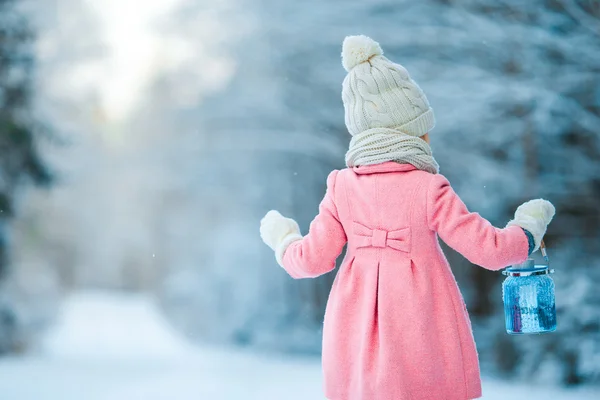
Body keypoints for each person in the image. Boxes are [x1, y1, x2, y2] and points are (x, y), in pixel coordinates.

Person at [259, 35, 555, 400]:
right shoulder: (428, 188)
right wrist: (529, 226)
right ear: (414, 132)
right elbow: (491, 250)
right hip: (422, 335)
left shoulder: (341, 187)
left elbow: (310, 260)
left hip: (355, 337)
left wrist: (283, 239)